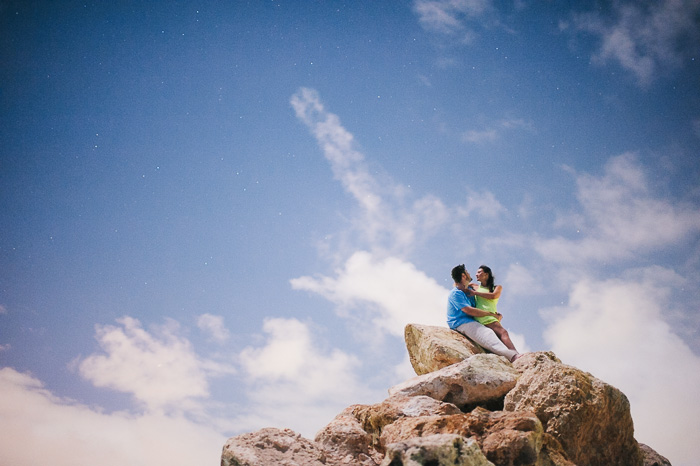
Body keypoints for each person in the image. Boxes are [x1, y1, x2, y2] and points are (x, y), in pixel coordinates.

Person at [447, 264, 520, 362]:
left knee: (495, 333)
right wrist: (491, 314)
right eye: (467, 272)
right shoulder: (456, 293)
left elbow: (488, 297)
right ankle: (513, 356)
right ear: (463, 276)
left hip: (470, 320)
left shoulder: (469, 290)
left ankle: (511, 354)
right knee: (487, 333)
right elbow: (469, 310)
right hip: (460, 323)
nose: (471, 273)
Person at [469, 265, 519, 353]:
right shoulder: (474, 286)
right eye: (476, 272)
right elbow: (458, 286)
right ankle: (515, 354)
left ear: (486, 275)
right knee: (503, 333)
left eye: (479, 272)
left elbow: (493, 296)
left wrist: (476, 293)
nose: (476, 274)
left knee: (498, 338)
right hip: (483, 316)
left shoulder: (497, 288)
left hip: (491, 317)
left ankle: (511, 355)